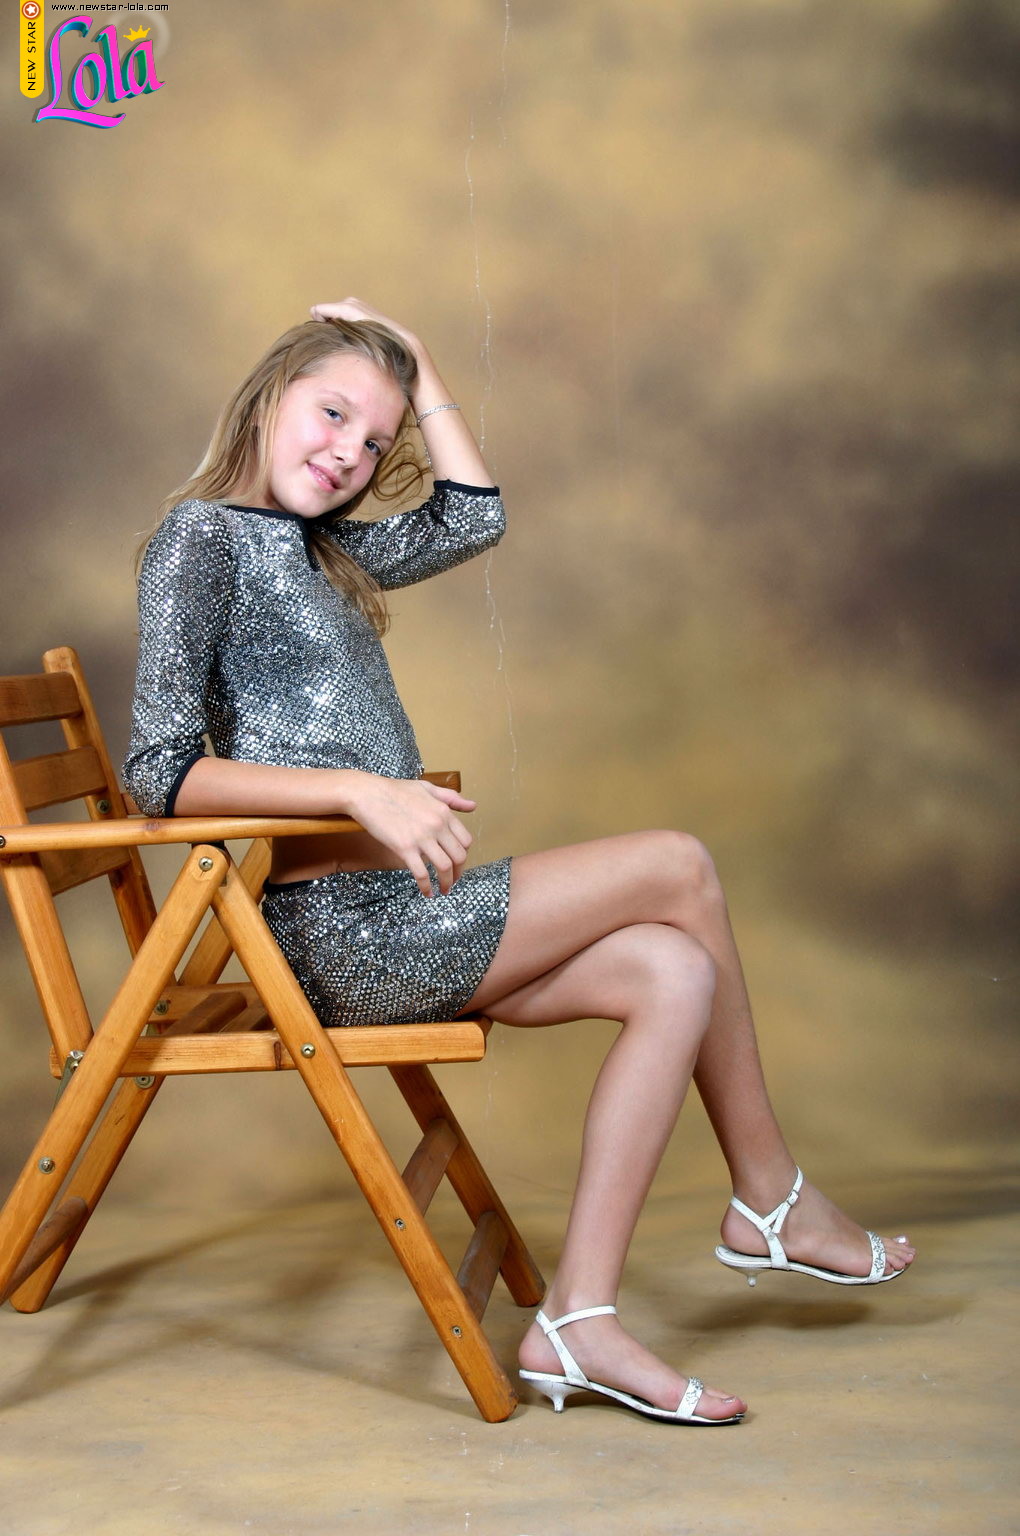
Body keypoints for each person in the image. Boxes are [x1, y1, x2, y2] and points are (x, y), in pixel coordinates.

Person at [123, 296, 916, 1426]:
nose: (349, 453)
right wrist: (356, 788)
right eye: (332, 412)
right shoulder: (201, 541)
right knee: (680, 865)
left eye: (374, 441)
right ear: (268, 395)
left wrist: (417, 363)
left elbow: (473, 519)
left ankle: (578, 1321)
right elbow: (157, 773)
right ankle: (771, 1196)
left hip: (403, 910)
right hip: (342, 935)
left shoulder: (320, 547)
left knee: (674, 972)